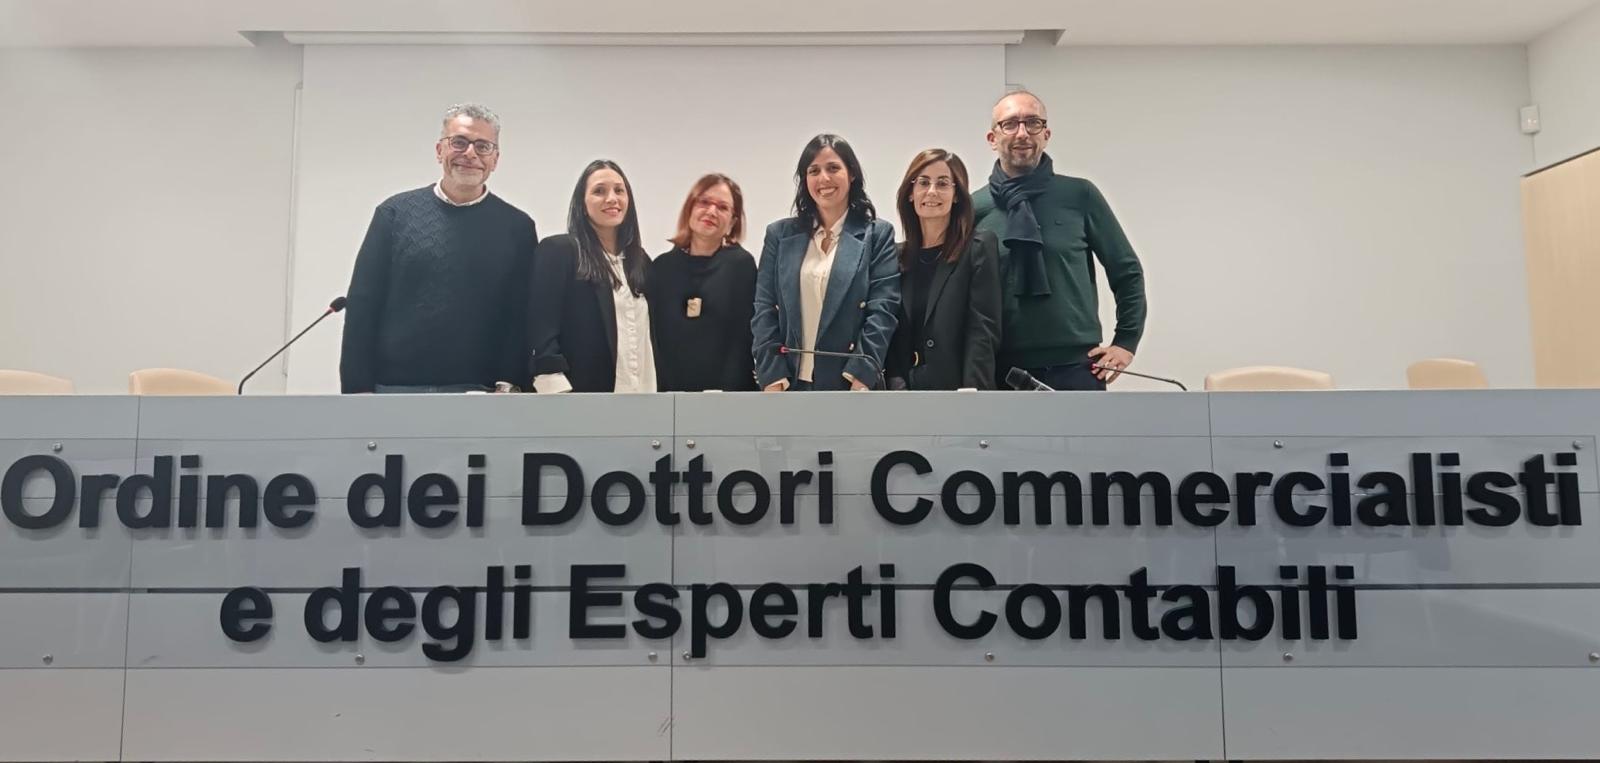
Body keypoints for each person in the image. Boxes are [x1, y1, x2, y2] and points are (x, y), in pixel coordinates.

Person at [339, 103, 537, 393]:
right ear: (439, 150)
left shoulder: (517, 227)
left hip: (479, 393)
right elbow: (363, 306)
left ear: (495, 159)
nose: (470, 154)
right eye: (459, 142)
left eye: (483, 146)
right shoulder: (393, 214)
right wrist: (357, 391)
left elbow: (520, 315)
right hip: (394, 390)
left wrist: (511, 382)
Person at [972, 90, 1146, 390]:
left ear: (1046, 134)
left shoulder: (1080, 195)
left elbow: (1126, 270)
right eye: (1010, 124)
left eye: (1033, 123)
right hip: (1000, 370)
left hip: (1077, 367)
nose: (1022, 133)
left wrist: (1126, 342)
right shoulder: (974, 207)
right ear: (992, 138)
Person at [752, 134, 900, 391]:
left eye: (833, 168)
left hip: (851, 385)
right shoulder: (779, 235)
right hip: (787, 384)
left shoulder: (877, 234)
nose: (824, 178)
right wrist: (772, 376)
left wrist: (862, 376)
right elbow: (764, 308)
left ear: (851, 174)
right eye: (814, 171)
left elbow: (883, 310)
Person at [526, 160, 654, 393]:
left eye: (619, 190)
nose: (612, 198)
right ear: (582, 204)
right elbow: (542, 326)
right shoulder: (560, 251)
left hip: (643, 393)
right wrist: (554, 388)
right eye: (599, 191)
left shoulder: (640, 261)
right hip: (579, 397)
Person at [886, 149, 1001, 391]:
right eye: (923, 182)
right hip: (903, 394)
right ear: (910, 193)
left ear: (956, 195)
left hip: (958, 392)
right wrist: (894, 384)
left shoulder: (978, 248)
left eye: (942, 183)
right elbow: (889, 329)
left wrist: (974, 395)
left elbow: (982, 332)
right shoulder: (895, 256)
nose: (931, 191)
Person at [648, 174, 757, 391]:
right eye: (704, 202)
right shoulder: (661, 268)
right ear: (690, 208)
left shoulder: (742, 266)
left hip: (729, 397)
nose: (711, 212)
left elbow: (746, 339)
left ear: (732, 222)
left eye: (722, 207)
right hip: (671, 398)